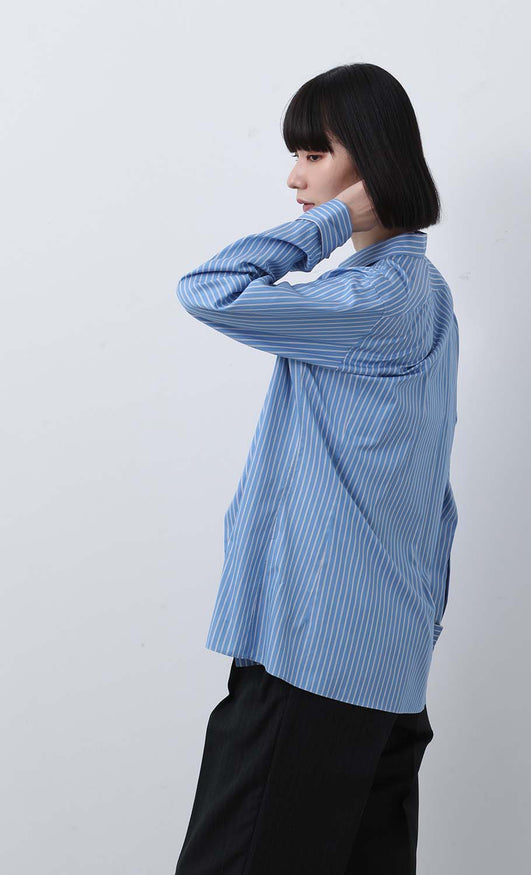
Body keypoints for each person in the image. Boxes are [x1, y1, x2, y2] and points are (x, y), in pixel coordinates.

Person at [173, 62, 459, 875]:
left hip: (314, 655)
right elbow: (430, 492)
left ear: (371, 161)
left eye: (314, 154)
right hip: (382, 662)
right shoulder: (421, 291)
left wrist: (333, 220)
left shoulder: (375, 301)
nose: (295, 178)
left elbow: (210, 289)